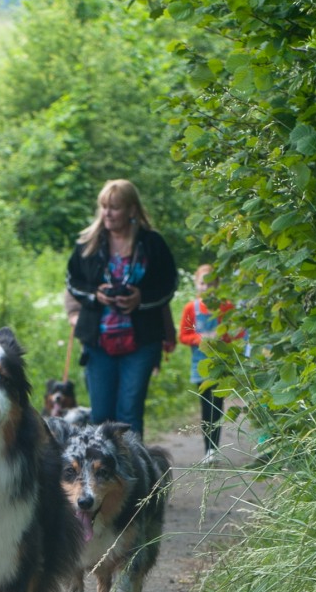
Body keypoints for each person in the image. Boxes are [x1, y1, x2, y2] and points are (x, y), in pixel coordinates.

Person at [64, 178, 177, 436]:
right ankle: (103, 473)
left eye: (114, 207)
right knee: (101, 413)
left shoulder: (152, 244)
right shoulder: (88, 244)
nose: (107, 213)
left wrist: (141, 298)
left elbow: (169, 285)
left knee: (129, 413)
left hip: (141, 341)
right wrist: (95, 295)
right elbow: (72, 281)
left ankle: (133, 473)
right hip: (98, 341)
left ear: (131, 210)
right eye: (104, 207)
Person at [179, 264, 236, 464]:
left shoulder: (226, 306)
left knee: (217, 406)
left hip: (220, 364)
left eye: (211, 283)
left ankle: (214, 449)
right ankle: (207, 450)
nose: (206, 287)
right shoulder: (191, 308)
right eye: (203, 283)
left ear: (217, 284)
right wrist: (200, 338)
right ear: (197, 284)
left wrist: (220, 337)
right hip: (199, 365)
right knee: (206, 406)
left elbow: (232, 334)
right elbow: (184, 336)